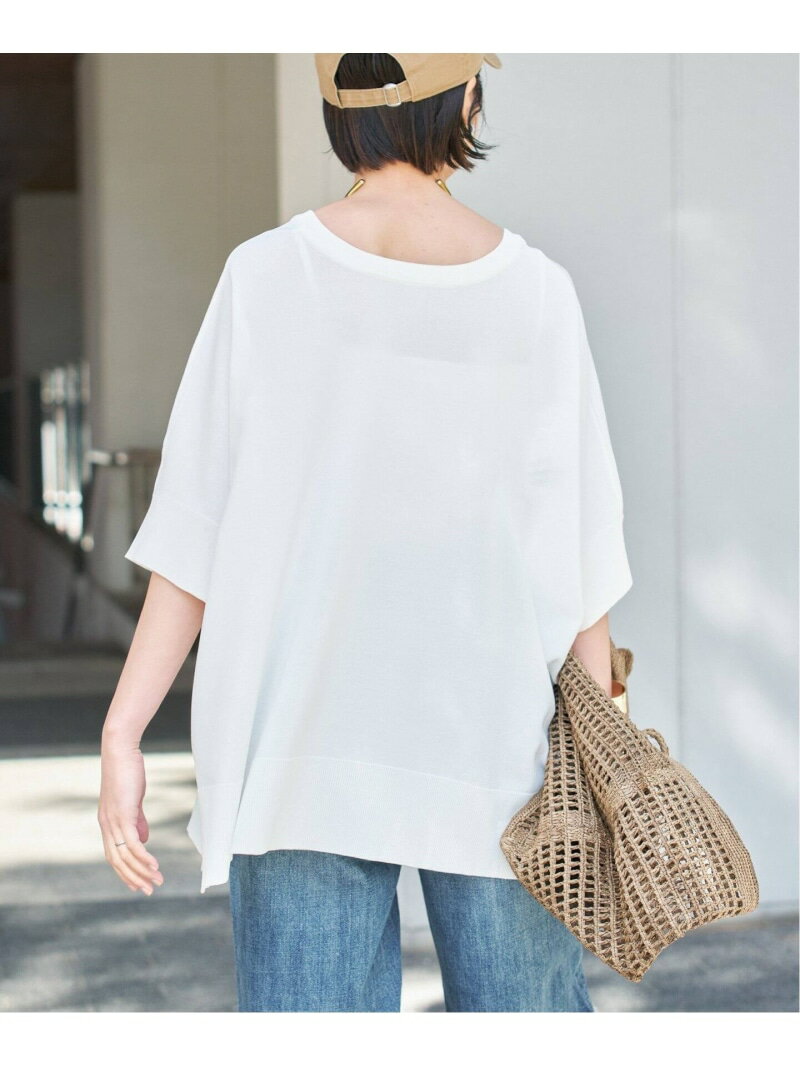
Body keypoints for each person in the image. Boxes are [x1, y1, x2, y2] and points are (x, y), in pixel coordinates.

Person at [98, 53, 633, 1013]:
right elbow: (580, 553)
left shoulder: (263, 275)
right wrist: (604, 740)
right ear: (466, 99)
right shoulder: (536, 292)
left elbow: (193, 534)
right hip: (503, 755)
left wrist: (122, 730)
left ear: (335, 111)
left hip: (297, 755)